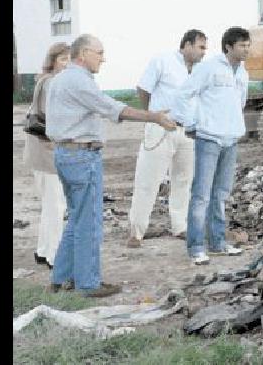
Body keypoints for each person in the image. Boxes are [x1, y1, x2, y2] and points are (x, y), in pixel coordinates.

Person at [45, 34, 178, 298]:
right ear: (83, 54)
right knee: (89, 222)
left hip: (65, 154)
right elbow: (113, 108)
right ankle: (88, 283)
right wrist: (154, 117)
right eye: (99, 53)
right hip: (82, 157)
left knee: (76, 219)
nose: (103, 59)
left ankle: (60, 279)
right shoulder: (79, 81)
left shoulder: (60, 79)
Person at [173, 27, 251, 266]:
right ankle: (196, 247)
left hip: (231, 139)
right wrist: (190, 122)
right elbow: (184, 94)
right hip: (209, 138)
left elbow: (240, 102)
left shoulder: (243, 73)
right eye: (242, 45)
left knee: (221, 194)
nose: (247, 49)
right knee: (201, 195)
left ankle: (217, 243)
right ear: (228, 47)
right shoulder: (210, 68)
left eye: (248, 45)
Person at [126, 30, 208, 248]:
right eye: (201, 47)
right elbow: (143, 89)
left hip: (188, 131)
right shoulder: (163, 61)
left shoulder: (201, 70)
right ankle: (136, 231)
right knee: (148, 180)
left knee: (183, 180)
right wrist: (152, 116)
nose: (204, 53)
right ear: (187, 45)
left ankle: (180, 226)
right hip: (161, 128)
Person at [23, 42, 70, 269]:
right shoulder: (52, 83)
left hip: (38, 152)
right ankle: (54, 256)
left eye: (70, 59)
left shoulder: (44, 80)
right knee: (56, 206)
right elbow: (56, 120)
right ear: (53, 61)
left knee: (49, 204)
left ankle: (43, 251)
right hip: (47, 152)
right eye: (63, 59)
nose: (67, 63)